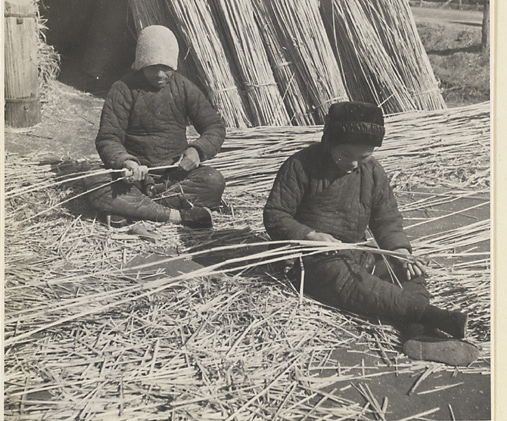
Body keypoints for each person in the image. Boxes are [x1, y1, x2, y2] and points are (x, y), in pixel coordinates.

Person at [263, 101, 479, 366]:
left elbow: (386, 218)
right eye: (345, 155)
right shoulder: (301, 165)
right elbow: (275, 214)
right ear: (328, 141)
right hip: (313, 260)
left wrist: (399, 250)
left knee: (404, 271)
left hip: (358, 252)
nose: (353, 164)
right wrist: (310, 235)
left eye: (363, 157)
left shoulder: (372, 171)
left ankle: (419, 332)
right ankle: (431, 317)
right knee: (351, 282)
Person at [85, 25, 226, 229]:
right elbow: (108, 138)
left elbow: (215, 126)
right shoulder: (123, 89)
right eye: (152, 67)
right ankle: (177, 216)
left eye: (166, 67)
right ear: (141, 63)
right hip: (132, 179)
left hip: (174, 177)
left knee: (213, 181)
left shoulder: (184, 88)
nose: (160, 74)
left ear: (174, 65)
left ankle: (131, 210)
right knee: (96, 181)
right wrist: (126, 163)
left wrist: (197, 150)